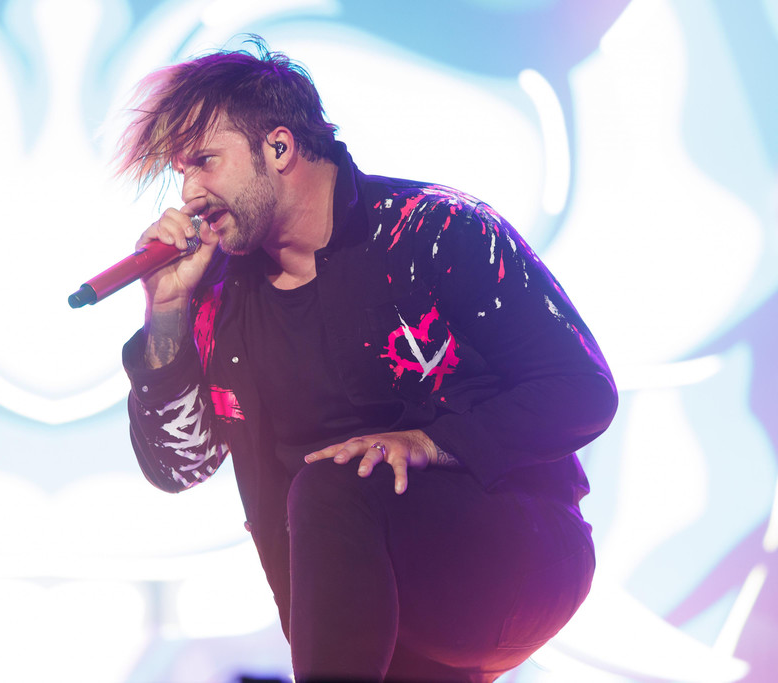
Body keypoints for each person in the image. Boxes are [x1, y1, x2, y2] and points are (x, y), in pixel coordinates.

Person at [115, 38, 617, 683]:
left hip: (518, 553)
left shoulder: (436, 231)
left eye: (205, 162)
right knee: (329, 495)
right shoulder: (217, 297)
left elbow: (582, 389)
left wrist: (428, 443)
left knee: (334, 482)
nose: (190, 193)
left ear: (278, 148)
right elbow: (177, 467)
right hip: (360, 608)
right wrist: (166, 311)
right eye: (180, 171)